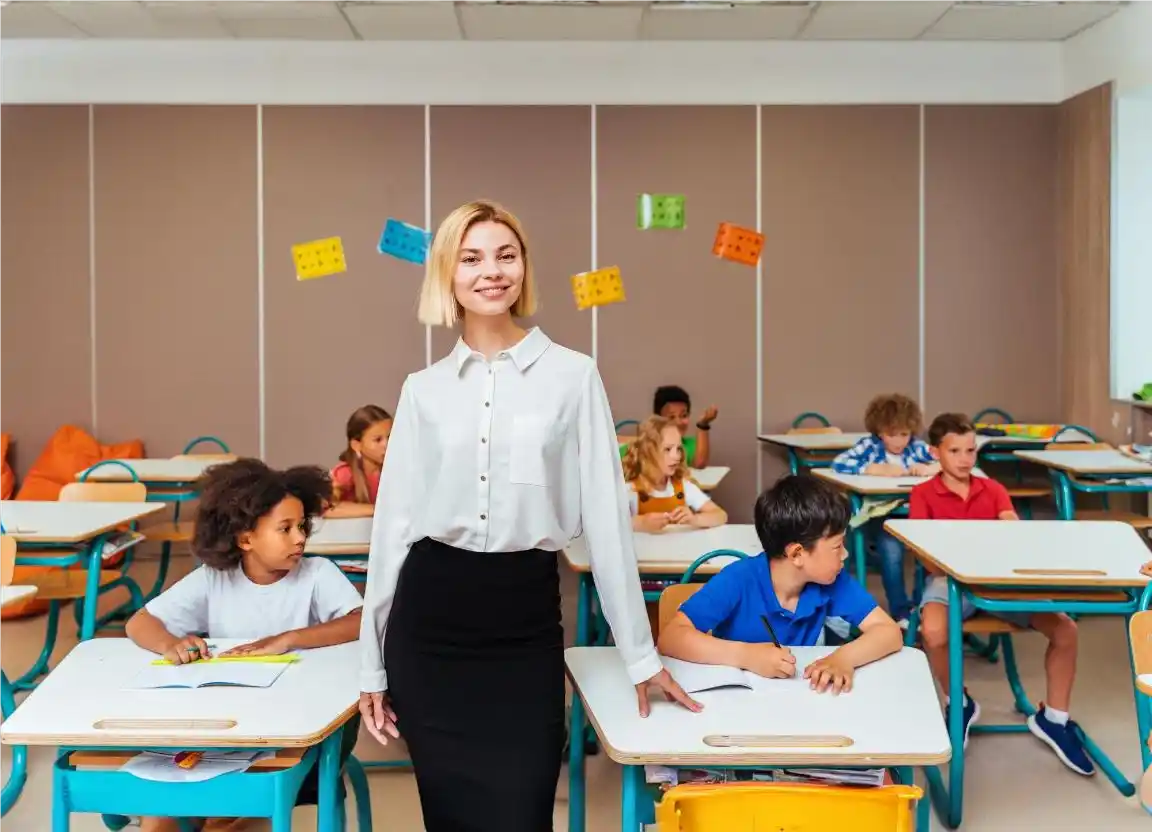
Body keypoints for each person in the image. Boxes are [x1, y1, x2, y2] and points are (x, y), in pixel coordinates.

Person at [356, 199, 697, 832]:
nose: (492, 271)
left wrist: (641, 658)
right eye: (472, 257)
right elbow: (394, 529)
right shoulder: (422, 390)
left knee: (522, 810)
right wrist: (371, 661)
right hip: (430, 625)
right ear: (448, 276)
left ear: (523, 269)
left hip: (523, 619)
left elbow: (605, 521)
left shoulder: (572, 376)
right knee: (450, 818)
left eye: (505, 256)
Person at [125, 459, 365, 832]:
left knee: (241, 811)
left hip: (298, 729)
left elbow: (361, 620)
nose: (300, 537)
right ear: (245, 538)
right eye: (284, 529)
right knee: (159, 816)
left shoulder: (317, 574)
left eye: (302, 526)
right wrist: (170, 643)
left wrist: (288, 639)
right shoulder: (214, 578)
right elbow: (139, 623)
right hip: (227, 726)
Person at [911, 413, 1092, 775]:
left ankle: (1054, 719)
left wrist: (1012, 529)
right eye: (955, 451)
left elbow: (1013, 539)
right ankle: (958, 702)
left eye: (970, 450)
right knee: (931, 631)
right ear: (935, 452)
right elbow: (928, 561)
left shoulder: (992, 489)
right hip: (948, 580)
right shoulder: (923, 494)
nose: (965, 458)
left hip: (998, 579)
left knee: (1065, 630)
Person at [658, 475, 902, 694]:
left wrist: (844, 658)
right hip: (736, 703)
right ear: (796, 554)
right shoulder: (738, 579)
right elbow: (671, 637)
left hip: (793, 700)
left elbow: (888, 632)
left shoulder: (831, 580)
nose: (845, 555)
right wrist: (747, 655)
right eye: (837, 547)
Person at [832, 393, 938, 625]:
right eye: (892, 434)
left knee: (927, 553)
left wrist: (928, 468)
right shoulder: (869, 446)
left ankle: (922, 606)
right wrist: (873, 469)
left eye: (904, 434)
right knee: (891, 553)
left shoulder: (917, 448)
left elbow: (943, 460)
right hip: (882, 515)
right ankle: (900, 610)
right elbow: (840, 463)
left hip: (915, 516)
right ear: (879, 431)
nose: (899, 441)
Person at [623, 416, 727, 533]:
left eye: (678, 449)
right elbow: (609, 525)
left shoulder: (682, 487)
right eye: (667, 449)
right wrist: (640, 523)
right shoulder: (630, 490)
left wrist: (694, 519)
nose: (676, 456)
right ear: (647, 452)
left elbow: (721, 515)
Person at [326, 404, 392, 518]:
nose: (387, 445)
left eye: (390, 437)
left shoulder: (395, 471)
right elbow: (328, 508)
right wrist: (379, 510)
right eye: (378, 440)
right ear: (357, 445)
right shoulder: (345, 474)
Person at [653, 385, 718, 468]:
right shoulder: (645, 445)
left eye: (684, 416)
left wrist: (703, 424)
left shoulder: (691, 445)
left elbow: (700, 463)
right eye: (671, 417)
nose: (678, 422)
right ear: (657, 419)